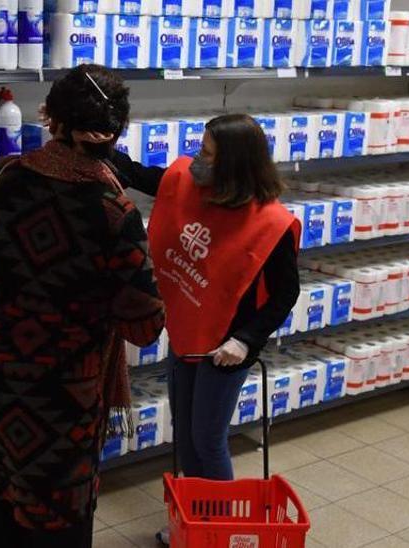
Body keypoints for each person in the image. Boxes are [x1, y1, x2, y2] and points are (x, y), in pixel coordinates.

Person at [0, 64, 166, 548]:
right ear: (117, 132)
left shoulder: (3, 176)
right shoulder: (114, 212)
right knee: (55, 524)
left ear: (50, 118)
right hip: (60, 397)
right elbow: (145, 324)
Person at [111, 114, 300, 538]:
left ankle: (223, 533)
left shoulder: (271, 223)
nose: (198, 159)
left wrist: (245, 340)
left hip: (226, 347)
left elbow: (286, 293)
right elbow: (140, 175)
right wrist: (90, 140)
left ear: (233, 162)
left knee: (208, 440)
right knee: (186, 434)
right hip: (187, 334)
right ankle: (197, 525)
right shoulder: (195, 186)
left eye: (208, 154)